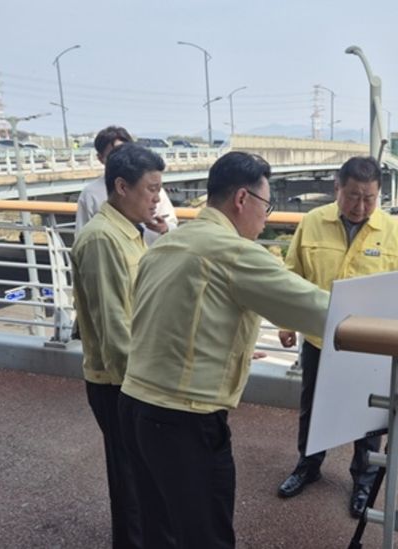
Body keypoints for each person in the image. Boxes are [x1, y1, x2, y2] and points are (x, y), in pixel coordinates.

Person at [118, 151, 330, 549]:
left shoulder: (167, 243)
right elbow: (319, 310)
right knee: (207, 537)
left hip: (133, 406)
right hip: (183, 419)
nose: (266, 217)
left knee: (158, 529)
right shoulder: (233, 251)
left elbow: (170, 318)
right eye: (266, 205)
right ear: (242, 199)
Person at [276, 156, 398, 518]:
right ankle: (308, 465)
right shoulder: (312, 222)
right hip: (320, 338)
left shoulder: (394, 233)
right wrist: (286, 323)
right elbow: (292, 276)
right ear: (337, 188)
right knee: (313, 408)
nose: (361, 206)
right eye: (353, 196)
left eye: (370, 198)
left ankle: (363, 480)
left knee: (369, 416)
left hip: (370, 344)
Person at [71, 143, 166, 548]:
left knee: (141, 479)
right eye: (151, 189)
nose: (157, 198)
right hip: (119, 383)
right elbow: (114, 330)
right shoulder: (103, 239)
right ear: (122, 187)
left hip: (132, 378)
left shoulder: (130, 232)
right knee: (130, 484)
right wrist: (142, 394)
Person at [75, 125, 177, 244]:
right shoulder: (91, 194)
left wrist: (165, 228)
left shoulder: (153, 188)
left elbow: (172, 223)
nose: (156, 198)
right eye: (114, 155)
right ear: (100, 158)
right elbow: (82, 236)